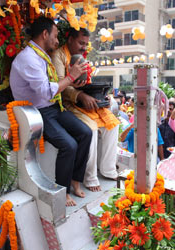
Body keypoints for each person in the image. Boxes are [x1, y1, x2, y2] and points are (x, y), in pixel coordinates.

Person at [9, 17, 92, 206]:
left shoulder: (40, 55)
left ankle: (75, 180)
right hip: (37, 111)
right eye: (55, 36)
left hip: (53, 107)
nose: (57, 40)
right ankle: (62, 191)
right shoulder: (28, 58)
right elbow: (46, 91)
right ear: (45, 34)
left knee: (86, 132)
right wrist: (71, 77)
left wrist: (73, 78)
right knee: (69, 145)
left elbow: (53, 88)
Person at [52, 27, 119, 192]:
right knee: (92, 128)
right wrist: (80, 96)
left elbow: (86, 82)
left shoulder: (82, 57)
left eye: (86, 44)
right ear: (70, 39)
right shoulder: (58, 56)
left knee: (113, 124)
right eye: (81, 43)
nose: (84, 47)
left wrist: (102, 96)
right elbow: (60, 85)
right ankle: (89, 177)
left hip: (85, 101)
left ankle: (108, 169)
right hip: (67, 103)